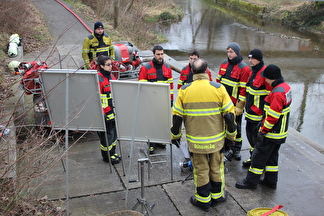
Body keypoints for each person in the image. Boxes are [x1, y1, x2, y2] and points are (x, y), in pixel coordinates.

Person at [171, 58, 237, 212]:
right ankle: (218, 196)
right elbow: (230, 116)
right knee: (216, 167)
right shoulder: (219, 88)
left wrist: (175, 136)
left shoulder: (184, 91)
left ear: (192, 71)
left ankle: (202, 200)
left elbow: (176, 118)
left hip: (196, 142)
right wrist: (230, 137)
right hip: (217, 141)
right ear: (207, 71)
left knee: (200, 170)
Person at [235, 64, 292, 189]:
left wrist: (263, 131)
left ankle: (250, 182)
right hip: (280, 133)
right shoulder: (285, 88)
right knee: (272, 158)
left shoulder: (277, 94)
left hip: (271, 133)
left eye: (266, 78)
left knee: (258, 157)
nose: (265, 80)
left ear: (272, 78)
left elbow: (272, 117)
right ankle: (270, 181)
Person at [216, 42, 251, 161]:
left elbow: (243, 89)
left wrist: (240, 106)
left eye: (231, 52)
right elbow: (218, 83)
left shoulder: (244, 68)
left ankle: (236, 149)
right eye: (228, 52)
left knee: (236, 127)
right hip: (223, 103)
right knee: (222, 125)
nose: (229, 54)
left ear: (237, 52)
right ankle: (226, 146)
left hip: (234, 105)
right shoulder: (224, 64)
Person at [138, 45, 174, 154]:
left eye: (162, 54)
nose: (160, 56)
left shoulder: (167, 67)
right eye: (158, 54)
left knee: (162, 121)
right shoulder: (146, 67)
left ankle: (160, 140)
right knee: (151, 122)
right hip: (151, 101)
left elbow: (171, 86)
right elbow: (141, 86)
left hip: (163, 101)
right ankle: (151, 143)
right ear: (153, 54)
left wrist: (171, 100)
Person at [243, 49, 272, 167]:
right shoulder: (252, 72)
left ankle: (258, 162)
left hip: (258, 115)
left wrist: (265, 117)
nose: (250, 60)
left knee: (257, 139)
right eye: (249, 58)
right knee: (250, 138)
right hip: (249, 113)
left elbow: (270, 97)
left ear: (259, 59)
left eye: (252, 58)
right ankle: (252, 158)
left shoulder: (265, 74)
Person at [96, 55, 121, 164]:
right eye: (108, 65)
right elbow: (97, 100)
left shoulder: (111, 77)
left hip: (113, 111)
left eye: (111, 64)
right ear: (101, 66)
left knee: (113, 134)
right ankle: (106, 156)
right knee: (106, 136)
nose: (111, 67)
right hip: (104, 114)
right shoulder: (98, 79)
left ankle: (113, 152)